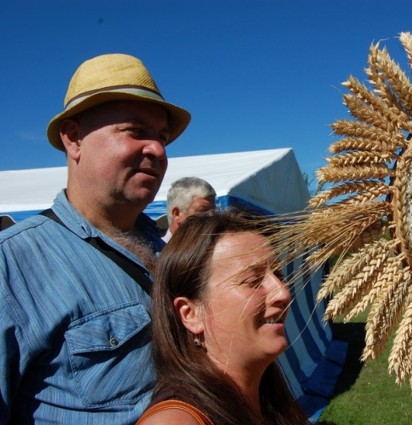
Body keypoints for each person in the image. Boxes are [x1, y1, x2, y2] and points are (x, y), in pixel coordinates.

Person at [0, 53, 190, 423]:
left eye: (162, 137)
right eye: (136, 131)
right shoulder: (11, 266)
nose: (158, 150)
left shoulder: (161, 248)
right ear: (73, 140)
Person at [137, 212, 309, 425]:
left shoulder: (270, 399)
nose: (283, 292)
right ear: (190, 314)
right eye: (253, 280)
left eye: (279, 275)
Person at [163, 176, 216, 242]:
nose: (212, 216)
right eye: (203, 211)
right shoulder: (156, 250)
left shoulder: (214, 249)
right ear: (177, 214)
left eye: (213, 211)